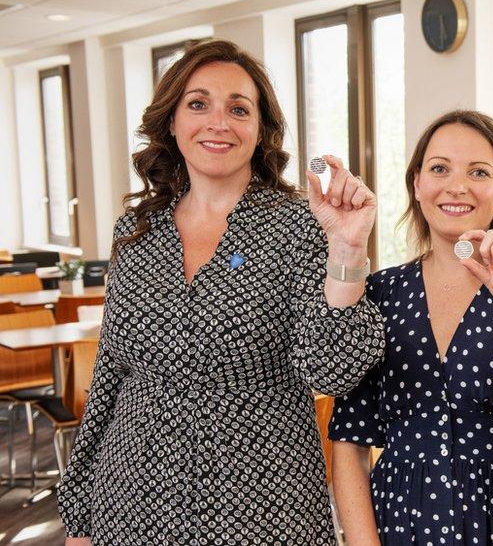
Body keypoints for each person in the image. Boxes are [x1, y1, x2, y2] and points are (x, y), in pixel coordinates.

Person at [57, 40, 386, 545]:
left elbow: (331, 370)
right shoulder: (138, 230)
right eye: (198, 103)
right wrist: (79, 516)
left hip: (263, 505)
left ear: (259, 130)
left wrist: (346, 250)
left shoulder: (297, 226)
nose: (218, 122)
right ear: (172, 121)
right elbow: (110, 376)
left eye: (238, 108)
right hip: (131, 504)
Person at [329, 110, 493, 545]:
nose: (456, 186)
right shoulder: (378, 294)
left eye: (478, 172)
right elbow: (350, 440)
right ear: (417, 185)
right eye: (439, 168)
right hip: (400, 518)